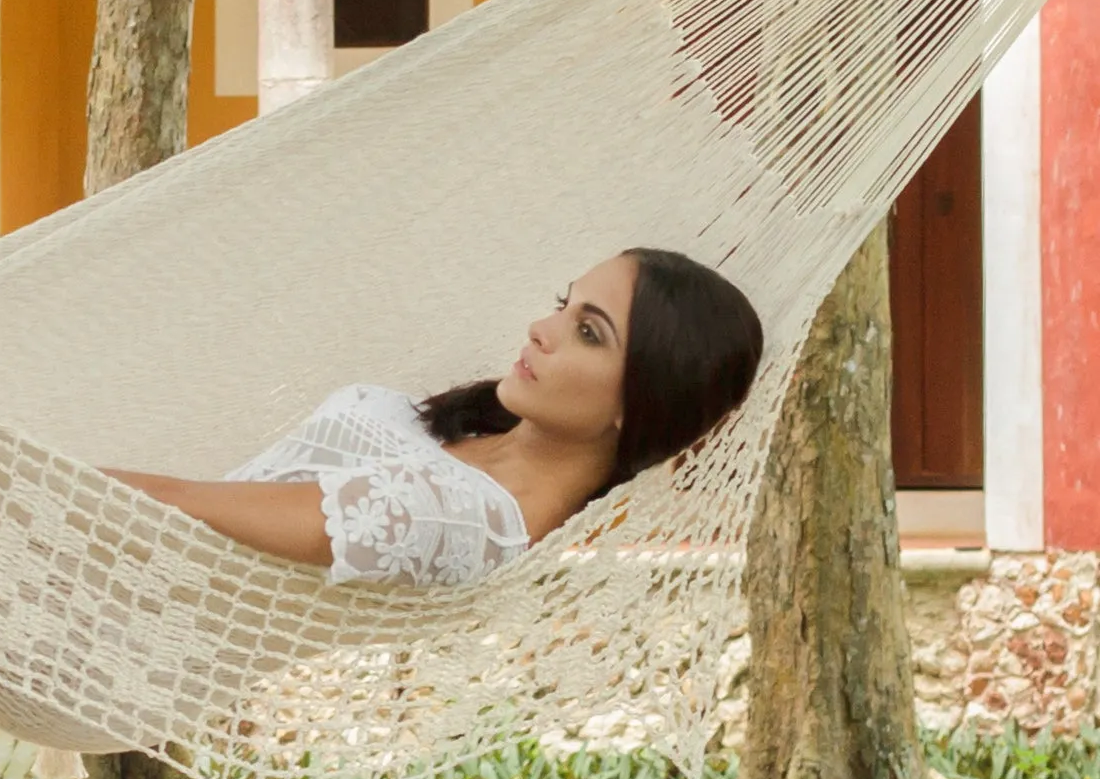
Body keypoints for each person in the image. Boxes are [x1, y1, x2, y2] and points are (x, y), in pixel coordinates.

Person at [106, 248, 762, 587]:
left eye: (589, 332)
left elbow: (191, 509)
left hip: (109, 615)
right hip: (110, 558)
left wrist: (27, 477)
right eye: (563, 305)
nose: (539, 330)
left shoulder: (458, 519)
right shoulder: (476, 439)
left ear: (640, 403)